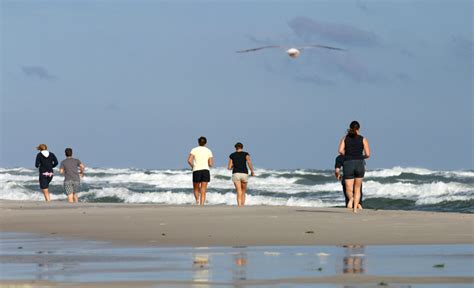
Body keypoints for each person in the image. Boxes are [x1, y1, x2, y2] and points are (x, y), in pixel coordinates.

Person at [338, 121, 370, 213]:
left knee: (349, 188)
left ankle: (351, 200)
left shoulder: (345, 138)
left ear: (350, 127)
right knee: (357, 188)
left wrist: (347, 154)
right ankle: (355, 208)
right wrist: (360, 156)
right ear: (359, 128)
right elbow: (368, 154)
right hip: (359, 163)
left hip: (348, 163)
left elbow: (340, 151)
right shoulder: (363, 139)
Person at [188, 136, 213, 206]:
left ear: (198, 142)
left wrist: (193, 166)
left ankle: (197, 201)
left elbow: (189, 160)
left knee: (196, 188)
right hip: (205, 170)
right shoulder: (208, 150)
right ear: (206, 142)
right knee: (203, 189)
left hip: (196, 170)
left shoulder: (194, 150)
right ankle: (202, 204)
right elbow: (211, 164)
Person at [227, 142, 255, 207]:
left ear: (235, 148)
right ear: (242, 147)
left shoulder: (232, 155)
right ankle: (243, 204)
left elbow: (229, 167)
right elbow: (249, 162)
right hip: (244, 173)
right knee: (243, 191)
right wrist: (252, 171)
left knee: (239, 190)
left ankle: (239, 205)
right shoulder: (246, 154)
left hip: (236, 173)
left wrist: (234, 166)